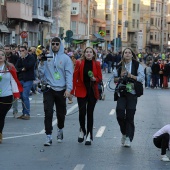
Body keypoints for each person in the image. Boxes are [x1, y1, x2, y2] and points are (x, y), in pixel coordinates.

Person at [38, 37, 73, 146]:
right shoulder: (47, 57)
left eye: (57, 44)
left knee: (61, 114)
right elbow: (41, 74)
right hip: (49, 88)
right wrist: (42, 63)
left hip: (61, 89)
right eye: (53, 44)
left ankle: (60, 129)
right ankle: (48, 136)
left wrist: (68, 89)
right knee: (48, 112)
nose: (55, 46)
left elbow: (69, 75)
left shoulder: (66, 58)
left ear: (60, 45)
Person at [71, 47, 102, 145]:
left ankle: (89, 135)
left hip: (92, 91)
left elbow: (100, 78)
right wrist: (72, 92)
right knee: (82, 113)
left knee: (90, 113)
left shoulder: (97, 64)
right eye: (87, 52)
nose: (89, 54)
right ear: (84, 54)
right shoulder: (79, 63)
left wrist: (95, 79)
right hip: (81, 90)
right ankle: (82, 130)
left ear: (93, 54)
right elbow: (74, 77)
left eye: (90, 52)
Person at [114, 47, 144, 147]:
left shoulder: (137, 65)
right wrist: (120, 77)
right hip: (121, 93)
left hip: (132, 92)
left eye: (129, 52)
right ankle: (124, 132)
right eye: (125, 52)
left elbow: (141, 78)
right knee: (120, 114)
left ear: (132, 55)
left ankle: (128, 138)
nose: (127, 54)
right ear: (123, 55)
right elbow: (114, 79)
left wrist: (131, 76)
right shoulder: (119, 65)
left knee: (130, 115)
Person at [0, 49, 23, 143]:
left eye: (2, 54)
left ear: (5, 57)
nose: (0, 56)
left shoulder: (10, 67)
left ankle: (0, 134)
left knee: (1, 116)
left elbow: (14, 81)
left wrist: (16, 94)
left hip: (7, 96)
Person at [15, 46, 36, 120]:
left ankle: (27, 113)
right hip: (21, 79)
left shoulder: (31, 58)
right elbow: (16, 68)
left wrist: (24, 59)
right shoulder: (19, 58)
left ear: (27, 51)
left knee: (25, 95)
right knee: (21, 97)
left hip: (28, 79)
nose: (21, 52)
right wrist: (22, 69)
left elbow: (28, 66)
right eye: (20, 51)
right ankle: (24, 113)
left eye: (23, 50)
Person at [4, 45, 19, 118]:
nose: (6, 50)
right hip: (4, 79)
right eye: (5, 49)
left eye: (7, 49)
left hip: (12, 78)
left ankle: (15, 111)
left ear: (10, 50)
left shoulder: (15, 57)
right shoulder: (2, 57)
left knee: (14, 96)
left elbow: (18, 66)